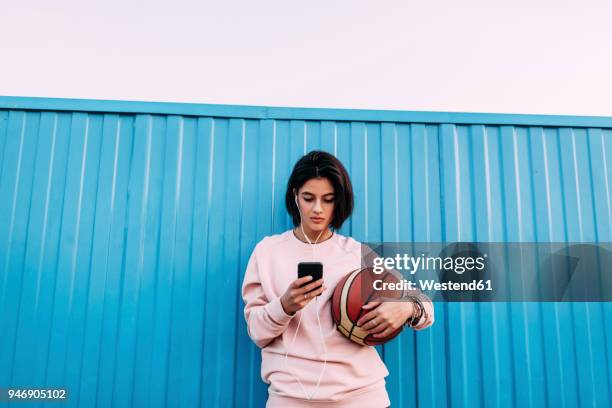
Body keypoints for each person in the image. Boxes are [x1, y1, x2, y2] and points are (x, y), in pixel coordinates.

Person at [241, 151, 434, 407]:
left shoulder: (357, 253)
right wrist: (284, 305)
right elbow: (257, 331)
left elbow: (425, 306)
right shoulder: (267, 252)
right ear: (295, 196)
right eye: (308, 198)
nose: (318, 209)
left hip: (361, 396)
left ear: (339, 202)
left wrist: (407, 307)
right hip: (290, 397)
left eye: (328, 200)